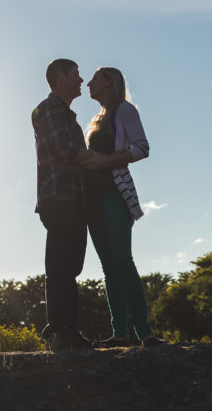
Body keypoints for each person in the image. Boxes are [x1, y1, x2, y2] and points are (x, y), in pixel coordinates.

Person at [81, 67, 166, 348]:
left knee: (122, 262)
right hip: (91, 199)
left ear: (109, 81)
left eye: (94, 78)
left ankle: (146, 334)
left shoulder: (124, 110)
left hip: (114, 195)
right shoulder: (96, 119)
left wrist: (103, 161)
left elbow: (142, 148)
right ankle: (120, 334)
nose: (88, 84)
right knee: (108, 266)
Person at [32, 58, 97, 351]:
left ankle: (68, 330)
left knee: (71, 266)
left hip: (73, 199)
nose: (81, 80)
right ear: (59, 77)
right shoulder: (49, 109)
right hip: (58, 197)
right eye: (75, 74)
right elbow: (68, 151)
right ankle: (58, 331)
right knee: (60, 266)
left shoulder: (68, 116)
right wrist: (111, 158)